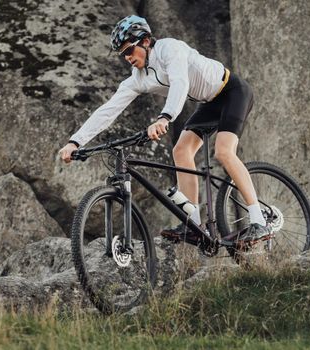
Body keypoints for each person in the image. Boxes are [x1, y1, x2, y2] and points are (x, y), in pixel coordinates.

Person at [58, 15, 272, 243]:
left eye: (129, 50)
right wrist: (76, 142)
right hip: (209, 104)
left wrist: (165, 117)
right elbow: (109, 109)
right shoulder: (138, 78)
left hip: (232, 92)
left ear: (146, 41)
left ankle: (259, 220)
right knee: (181, 151)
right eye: (123, 54)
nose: (128, 57)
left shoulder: (170, 48)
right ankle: (195, 224)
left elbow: (181, 82)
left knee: (223, 152)